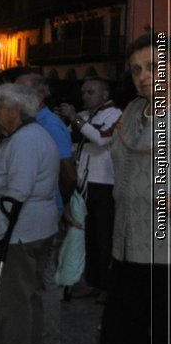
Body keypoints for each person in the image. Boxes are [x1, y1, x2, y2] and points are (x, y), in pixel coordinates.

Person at [80, 34, 168, 344]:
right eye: (135, 69)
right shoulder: (132, 114)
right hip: (128, 248)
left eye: (152, 66)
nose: (142, 76)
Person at [0, 83, 61, 344]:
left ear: (14, 110)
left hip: (21, 232)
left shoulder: (25, 141)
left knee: (13, 300)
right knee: (30, 297)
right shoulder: (32, 136)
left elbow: (17, 191)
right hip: (36, 228)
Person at [58, 76, 122, 298]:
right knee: (88, 236)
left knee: (105, 237)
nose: (85, 96)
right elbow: (68, 141)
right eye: (83, 92)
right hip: (82, 184)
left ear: (105, 94)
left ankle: (108, 286)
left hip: (105, 183)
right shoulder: (84, 116)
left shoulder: (116, 115)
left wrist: (75, 119)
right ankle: (93, 282)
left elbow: (102, 138)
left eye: (91, 92)